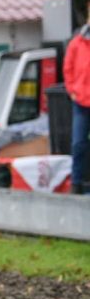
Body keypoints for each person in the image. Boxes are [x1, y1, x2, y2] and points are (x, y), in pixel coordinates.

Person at [64, 11, 90, 195]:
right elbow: (68, 68)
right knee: (78, 143)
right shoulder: (76, 44)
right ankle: (76, 183)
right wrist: (72, 90)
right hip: (81, 102)